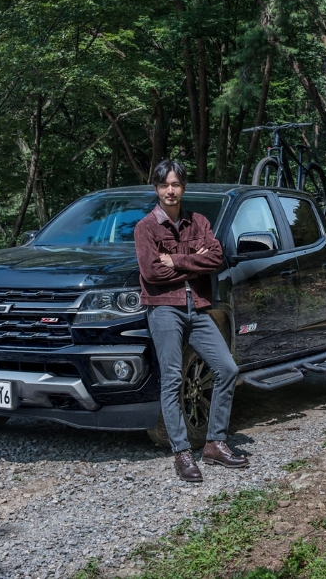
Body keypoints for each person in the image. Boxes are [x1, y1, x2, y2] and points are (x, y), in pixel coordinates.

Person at [133, 159, 249, 482]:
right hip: (164, 308)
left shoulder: (198, 221)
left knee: (227, 368)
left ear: (183, 187)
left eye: (176, 184)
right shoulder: (145, 228)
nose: (170, 190)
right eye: (164, 185)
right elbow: (151, 271)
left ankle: (214, 443)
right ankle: (182, 453)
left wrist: (178, 259)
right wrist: (194, 261)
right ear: (156, 189)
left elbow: (216, 256)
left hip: (196, 307)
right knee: (172, 379)